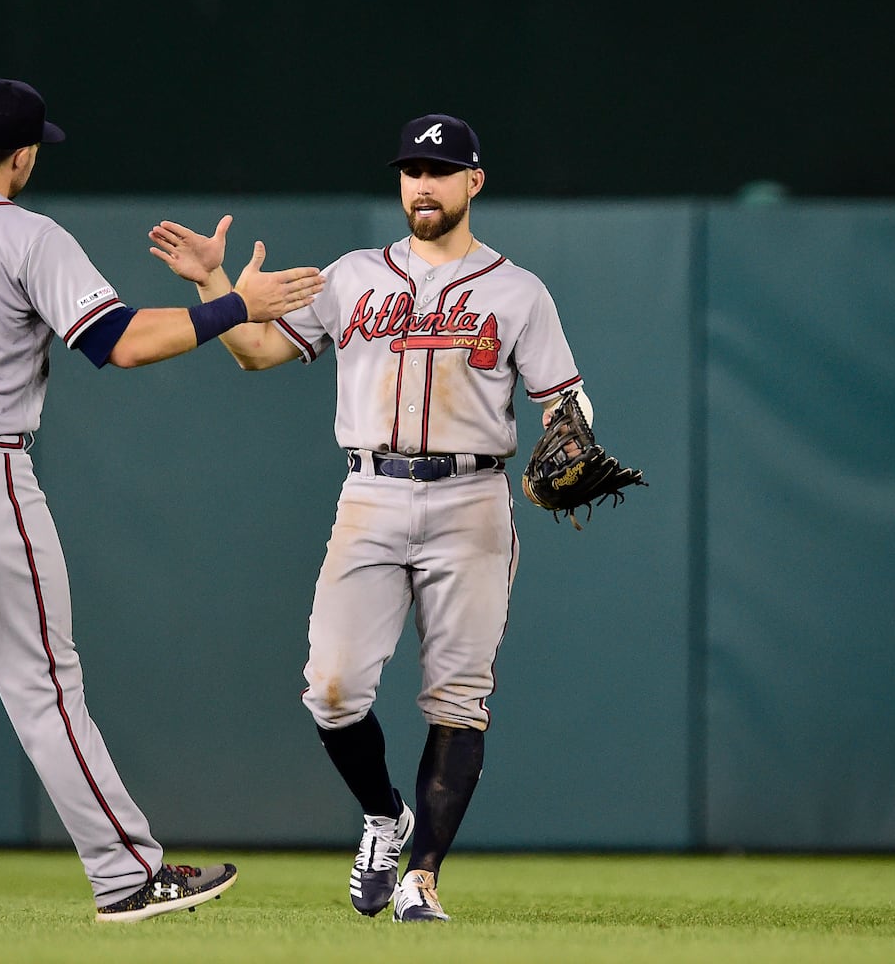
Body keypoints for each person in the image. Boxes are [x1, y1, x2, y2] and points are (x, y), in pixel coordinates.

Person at [0, 77, 323, 924]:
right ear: (22, 155)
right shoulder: (26, 234)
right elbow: (117, 344)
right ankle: (127, 876)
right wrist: (235, 303)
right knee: (44, 684)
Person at [148, 113, 593, 923]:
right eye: (411, 170)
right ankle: (386, 818)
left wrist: (575, 432)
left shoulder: (518, 291)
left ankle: (422, 879)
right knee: (333, 689)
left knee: (458, 697)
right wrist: (213, 286)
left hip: (472, 499)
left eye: (440, 170)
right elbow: (255, 353)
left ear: (473, 183)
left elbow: (565, 402)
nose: (422, 184)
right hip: (372, 494)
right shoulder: (352, 276)